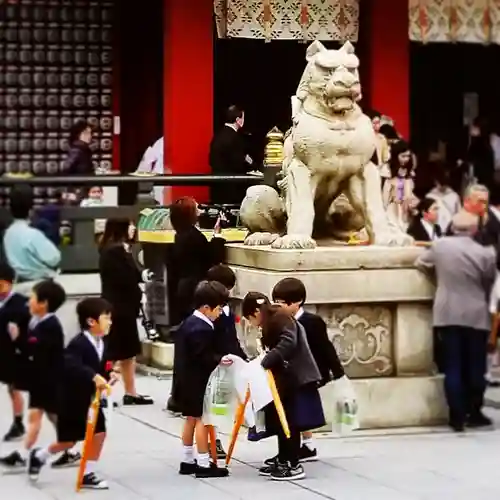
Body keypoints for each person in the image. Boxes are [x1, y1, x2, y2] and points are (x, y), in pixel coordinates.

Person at [415, 211, 496, 432]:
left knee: (452, 365)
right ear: (474, 230)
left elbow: (420, 262)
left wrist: (438, 281)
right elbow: (489, 282)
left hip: (447, 311)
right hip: (476, 313)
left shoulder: (440, 247)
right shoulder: (485, 253)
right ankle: (474, 411)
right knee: (475, 365)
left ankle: (456, 416)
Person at [27, 297, 116, 488]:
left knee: (99, 434)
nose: (110, 322)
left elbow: (105, 366)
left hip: (92, 399)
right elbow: (72, 364)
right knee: (68, 441)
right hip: (72, 399)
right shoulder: (78, 343)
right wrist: (93, 376)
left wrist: (109, 376)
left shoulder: (103, 343)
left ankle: (88, 473)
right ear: (91, 321)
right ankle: (40, 456)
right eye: (106, 318)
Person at [242, 293, 323, 481]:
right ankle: (284, 458)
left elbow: (288, 342)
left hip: (296, 377)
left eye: (250, 318)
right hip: (287, 379)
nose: (253, 323)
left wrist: (267, 360)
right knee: (282, 420)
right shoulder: (275, 318)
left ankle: (293, 464)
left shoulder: (279, 317)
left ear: (256, 312)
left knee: (290, 422)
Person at [0, 280, 75, 470]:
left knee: (38, 417)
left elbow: (34, 349)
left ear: (44, 303)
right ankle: (68, 448)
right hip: (41, 380)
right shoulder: (38, 322)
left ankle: (24, 454)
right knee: (49, 417)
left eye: (32, 298)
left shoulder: (50, 325)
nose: (28, 303)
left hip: (49, 380)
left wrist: (18, 339)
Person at [271, 278, 344, 463]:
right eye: (277, 303)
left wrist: (337, 372)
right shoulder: (279, 321)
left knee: (298, 412)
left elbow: (325, 347)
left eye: (284, 303)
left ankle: (296, 451)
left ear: (298, 302)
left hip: (308, 374)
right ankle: (306, 446)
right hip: (289, 374)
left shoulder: (312, 322)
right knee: (297, 412)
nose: (280, 307)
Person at [167, 197, 225, 414]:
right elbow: (211, 258)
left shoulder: (179, 236)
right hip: (193, 290)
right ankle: (186, 397)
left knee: (184, 346)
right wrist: (218, 237)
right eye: (197, 208)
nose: (201, 210)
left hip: (182, 292)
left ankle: (177, 395)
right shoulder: (193, 237)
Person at [176, 281, 231, 478]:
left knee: (190, 419)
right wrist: (220, 359)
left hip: (186, 380)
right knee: (202, 420)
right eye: (219, 308)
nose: (220, 313)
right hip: (199, 382)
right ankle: (203, 462)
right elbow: (203, 357)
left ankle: (187, 458)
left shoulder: (189, 322)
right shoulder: (202, 328)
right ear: (207, 308)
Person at [99, 218, 153, 406]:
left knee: (128, 352)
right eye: (130, 225)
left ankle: (131, 392)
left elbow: (131, 274)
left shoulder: (120, 249)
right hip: (118, 308)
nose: (133, 228)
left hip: (125, 308)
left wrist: (143, 275)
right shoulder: (114, 251)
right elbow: (123, 278)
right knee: (112, 352)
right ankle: (103, 392)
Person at [206, 264, 247, 459]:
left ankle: (217, 439)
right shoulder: (210, 313)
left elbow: (232, 338)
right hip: (215, 365)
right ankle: (212, 441)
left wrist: (242, 357)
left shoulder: (227, 310)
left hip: (228, 363)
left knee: (221, 406)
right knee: (213, 406)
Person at [3, 186, 61, 282]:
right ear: (30, 212)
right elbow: (54, 258)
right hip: (38, 283)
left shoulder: (7, 234)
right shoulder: (33, 234)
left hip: (16, 282)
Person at [0, 261, 31, 442]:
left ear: (10, 283)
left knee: (16, 387)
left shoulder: (21, 303)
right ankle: (18, 422)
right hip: (4, 353)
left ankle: (19, 422)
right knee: (12, 388)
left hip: (18, 353)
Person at [209, 105, 254, 204]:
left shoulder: (217, 135)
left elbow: (211, 160)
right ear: (238, 120)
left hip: (216, 187)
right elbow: (237, 163)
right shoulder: (235, 138)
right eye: (242, 118)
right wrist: (247, 162)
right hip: (231, 189)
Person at [382, 140, 418, 231]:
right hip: (392, 207)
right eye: (403, 156)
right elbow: (385, 195)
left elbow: (410, 192)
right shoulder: (387, 171)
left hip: (405, 208)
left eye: (408, 156)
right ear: (396, 155)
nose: (406, 159)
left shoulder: (409, 172)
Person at [427, 166, 461, 232]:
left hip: (450, 231)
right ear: (435, 181)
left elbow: (458, 215)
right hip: (434, 231)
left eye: (444, 184)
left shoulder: (454, 196)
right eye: (439, 183)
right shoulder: (430, 196)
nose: (441, 186)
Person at [366, 109, 390, 182]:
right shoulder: (364, 138)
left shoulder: (382, 138)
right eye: (374, 123)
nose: (377, 125)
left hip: (379, 171)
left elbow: (385, 156)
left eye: (378, 122)